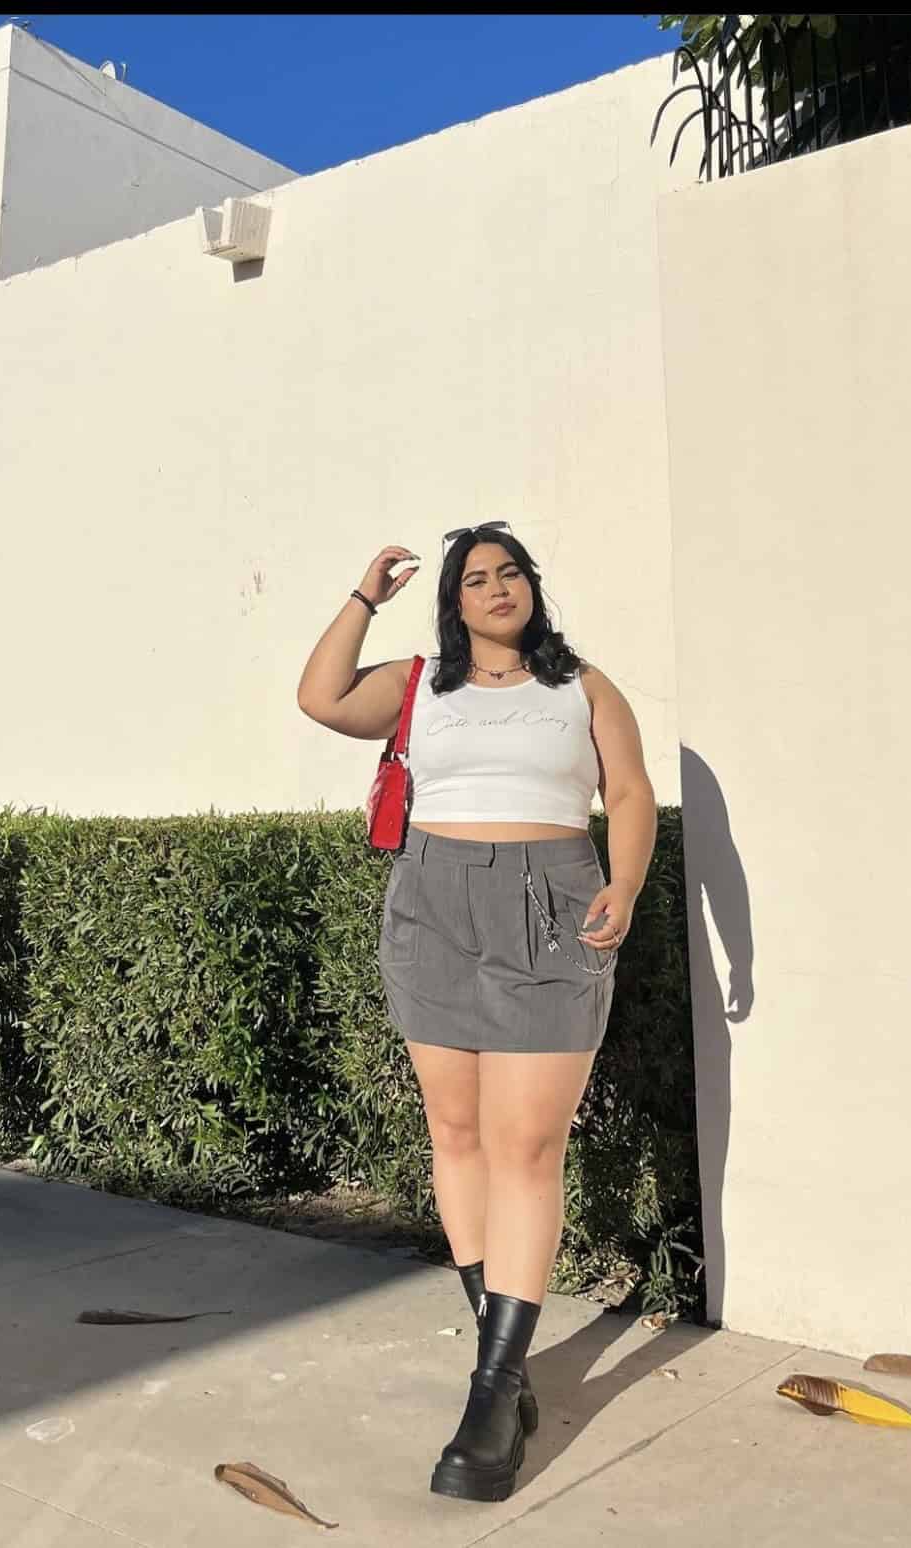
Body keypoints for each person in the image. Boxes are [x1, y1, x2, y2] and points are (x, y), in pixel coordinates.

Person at [296, 521, 657, 1503]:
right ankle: (506, 1362)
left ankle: (494, 1390)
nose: (495, 589)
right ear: (453, 603)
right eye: (474, 580)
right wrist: (364, 593)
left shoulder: (583, 687)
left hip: (550, 907)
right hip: (432, 905)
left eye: (510, 574)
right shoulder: (422, 686)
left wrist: (623, 885)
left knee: (526, 1146)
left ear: (531, 589)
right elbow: (320, 696)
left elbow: (627, 792)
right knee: (455, 1132)